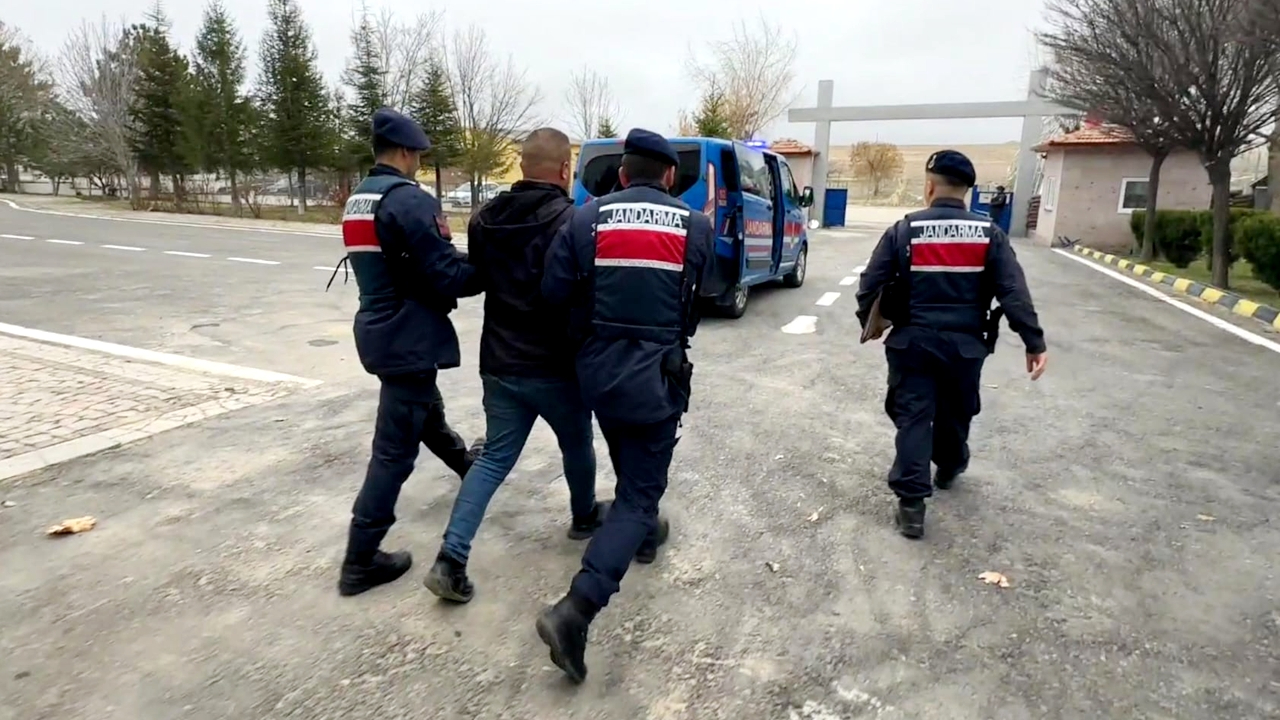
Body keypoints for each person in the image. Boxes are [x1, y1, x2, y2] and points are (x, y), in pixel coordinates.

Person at [533, 129, 714, 684]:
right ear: (667, 177)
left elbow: (554, 293)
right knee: (638, 493)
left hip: (599, 375)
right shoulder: (696, 226)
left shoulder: (584, 221)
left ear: (619, 174)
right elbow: (696, 297)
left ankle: (642, 534)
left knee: (630, 469)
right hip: (657, 379)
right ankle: (576, 610)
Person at [424, 127, 608, 603]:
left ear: (522, 166)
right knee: (576, 443)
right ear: (566, 170)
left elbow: (481, 276)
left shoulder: (485, 219)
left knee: (493, 461)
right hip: (554, 364)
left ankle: (450, 558)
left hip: (500, 363)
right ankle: (584, 515)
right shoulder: (574, 220)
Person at [855, 150, 1047, 540]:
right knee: (956, 413)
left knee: (912, 417)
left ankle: (912, 507)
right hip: (966, 347)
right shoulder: (989, 233)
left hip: (913, 343)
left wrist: (872, 322)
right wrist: (1033, 341)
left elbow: (870, 285)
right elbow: (1012, 291)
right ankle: (949, 463)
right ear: (968, 192)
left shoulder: (904, 230)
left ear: (929, 186)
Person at [337, 107, 485, 597]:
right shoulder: (408, 201)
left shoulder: (360, 198)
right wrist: (493, 269)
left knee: (424, 412)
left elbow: (408, 264)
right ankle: (360, 560)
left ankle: (466, 464)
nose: (420, 161)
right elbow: (443, 274)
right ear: (405, 152)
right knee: (392, 454)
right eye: (419, 154)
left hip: (379, 327)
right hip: (406, 335)